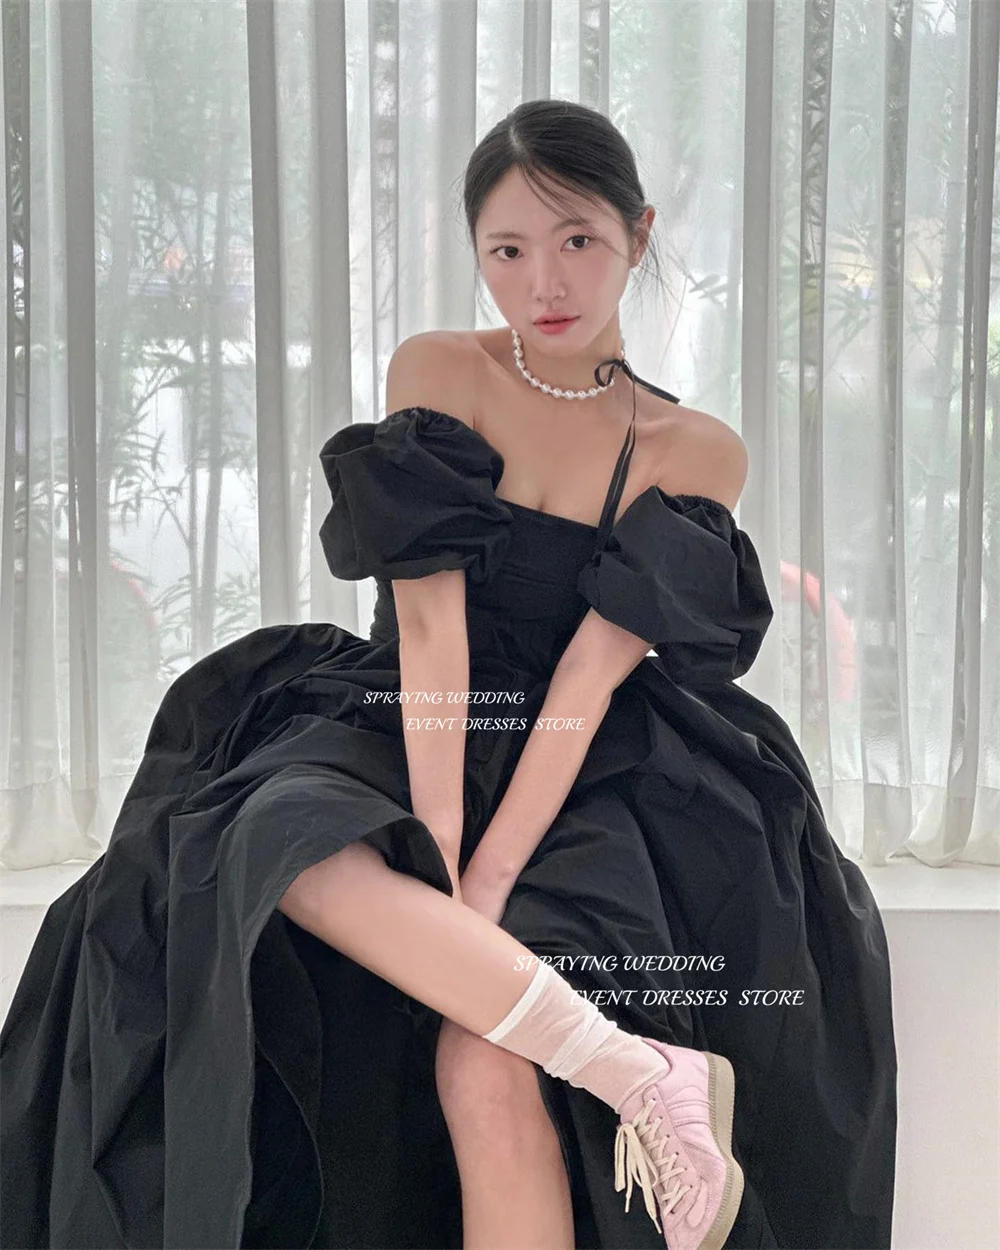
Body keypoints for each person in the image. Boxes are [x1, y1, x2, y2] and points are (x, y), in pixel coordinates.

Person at [0, 99, 897, 1250]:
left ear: (638, 232)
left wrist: (491, 871)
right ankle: (638, 1070)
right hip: (411, 708)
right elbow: (432, 633)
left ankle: (630, 1067)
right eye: (506, 250)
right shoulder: (439, 368)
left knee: (484, 1056)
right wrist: (434, 849)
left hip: (592, 760)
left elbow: (588, 678)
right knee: (273, 839)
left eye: (577, 239)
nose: (544, 282)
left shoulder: (696, 448)